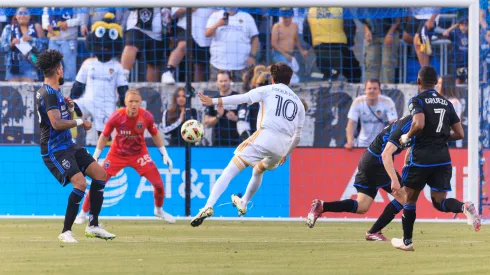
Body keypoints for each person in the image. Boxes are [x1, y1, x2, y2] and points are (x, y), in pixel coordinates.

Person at [190, 62, 305, 227]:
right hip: (282, 147)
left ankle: (208, 206)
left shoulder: (268, 90)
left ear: (272, 79)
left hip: (265, 136)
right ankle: (243, 201)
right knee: (259, 169)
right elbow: (298, 136)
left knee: (230, 170)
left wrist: (213, 101)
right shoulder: (298, 103)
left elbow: (242, 98)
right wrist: (286, 153)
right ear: (290, 80)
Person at [392, 66, 480, 252]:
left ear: (418, 81)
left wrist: (407, 137)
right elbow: (460, 133)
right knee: (439, 202)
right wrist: (439, 137)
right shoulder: (446, 103)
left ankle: (407, 241)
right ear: (435, 82)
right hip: (442, 158)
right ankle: (464, 206)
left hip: (421, 158)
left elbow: (419, 123)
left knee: (409, 199)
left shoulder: (417, 100)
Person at [36, 49, 115, 243]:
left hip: (68, 145)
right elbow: (55, 123)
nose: (62, 70)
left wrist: (70, 110)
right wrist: (80, 121)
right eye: (61, 67)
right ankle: (66, 231)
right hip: (54, 149)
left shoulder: (55, 93)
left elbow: (63, 121)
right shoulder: (48, 94)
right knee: (80, 183)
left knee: (100, 174)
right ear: (57, 70)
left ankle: (93, 225)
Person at [74, 90, 176, 224]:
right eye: (131, 101)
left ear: (141, 103)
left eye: (136, 102)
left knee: (158, 184)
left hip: (140, 154)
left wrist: (164, 153)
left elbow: (155, 134)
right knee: (98, 182)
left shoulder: (146, 117)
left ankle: (158, 210)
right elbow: (104, 136)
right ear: (125, 102)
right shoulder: (116, 116)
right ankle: (82, 213)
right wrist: (96, 156)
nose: (134, 104)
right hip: (117, 154)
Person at [307, 115, 411, 242]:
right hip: (377, 162)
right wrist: (394, 180)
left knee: (362, 206)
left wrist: (407, 165)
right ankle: (374, 231)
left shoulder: (412, 123)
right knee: (404, 197)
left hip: (368, 160)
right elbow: (386, 154)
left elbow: (411, 147)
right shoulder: (409, 123)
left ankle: (322, 206)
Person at [71, 12, 128, 136]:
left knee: (104, 135)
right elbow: (78, 86)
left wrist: (123, 106)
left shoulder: (117, 66)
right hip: (87, 102)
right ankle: (70, 141)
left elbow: (123, 89)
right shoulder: (88, 63)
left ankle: (105, 153)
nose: (104, 45)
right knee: (69, 109)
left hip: (107, 106)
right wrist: (71, 99)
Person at [345, 79, 398, 148]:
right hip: (362, 144)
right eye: (369, 88)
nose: (372, 91)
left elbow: (394, 123)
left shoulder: (387, 102)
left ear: (379, 91)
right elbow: (351, 123)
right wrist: (350, 141)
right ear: (365, 90)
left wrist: (392, 142)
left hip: (380, 143)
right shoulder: (358, 102)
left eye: (375, 88)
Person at [435, 75, 463, 147]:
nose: (437, 85)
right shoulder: (437, 101)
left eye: (440, 83)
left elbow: (453, 124)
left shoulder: (454, 102)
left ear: (446, 86)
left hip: (451, 141)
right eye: (437, 83)